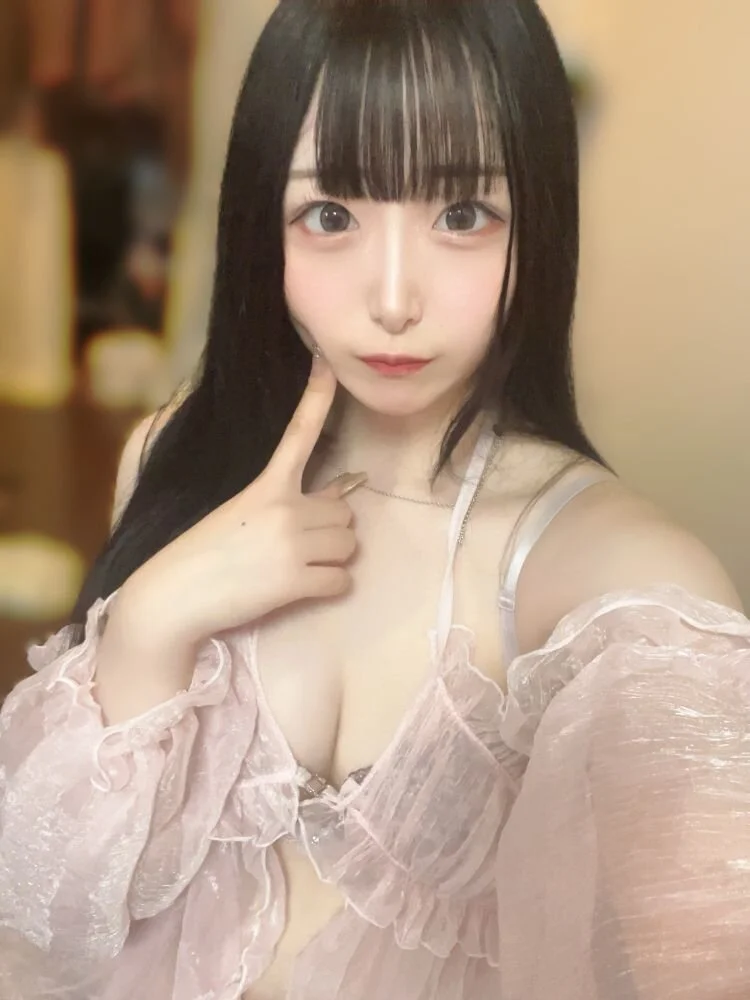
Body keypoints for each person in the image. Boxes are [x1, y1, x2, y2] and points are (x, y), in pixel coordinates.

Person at [2, 1, 750, 998]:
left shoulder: (601, 574)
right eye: (331, 215)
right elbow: (54, 926)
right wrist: (150, 622)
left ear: (540, 220)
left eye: (461, 214)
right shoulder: (173, 461)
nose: (393, 298)